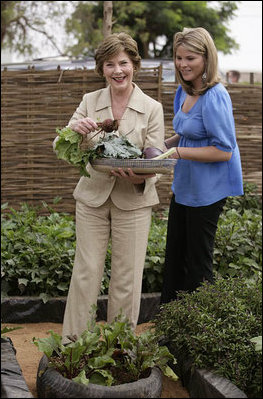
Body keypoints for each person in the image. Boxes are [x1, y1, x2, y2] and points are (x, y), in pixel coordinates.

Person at [58, 32, 165, 341]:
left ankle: (120, 348)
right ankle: (73, 345)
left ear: (135, 64)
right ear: (101, 69)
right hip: (92, 199)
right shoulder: (90, 102)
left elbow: (156, 159)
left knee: (126, 279)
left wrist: (137, 174)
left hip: (132, 201)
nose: (118, 71)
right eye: (109, 64)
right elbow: (60, 144)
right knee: (86, 273)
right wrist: (76, 131)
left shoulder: (152, 108)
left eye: (123, 63)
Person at [160, 27, 243, 304]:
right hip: (185, 186)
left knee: (197, 263)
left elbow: (223, 151)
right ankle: (170, 324)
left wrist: (178, 152)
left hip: (207, 191)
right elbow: (187, 132)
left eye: (191, 58)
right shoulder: (183, 92)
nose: (183, 64)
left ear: (207, 58)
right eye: (179, 58)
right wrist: (160, 145)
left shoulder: (215, 96)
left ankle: (198, 330)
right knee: (175, 258)